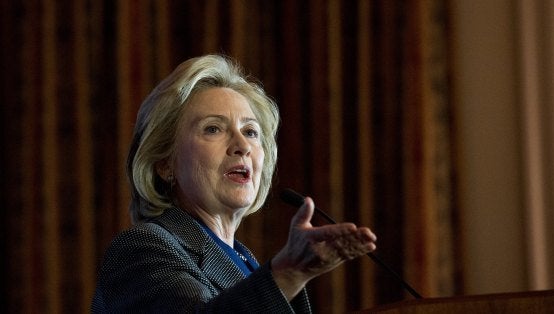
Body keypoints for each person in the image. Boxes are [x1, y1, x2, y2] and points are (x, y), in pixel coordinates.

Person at [91, 54, 377, 313]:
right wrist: (289, 273)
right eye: (213, 128)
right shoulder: (141, 249)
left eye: (251, 131)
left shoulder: (244, 263)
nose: (242, 145)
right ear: (165, 163)